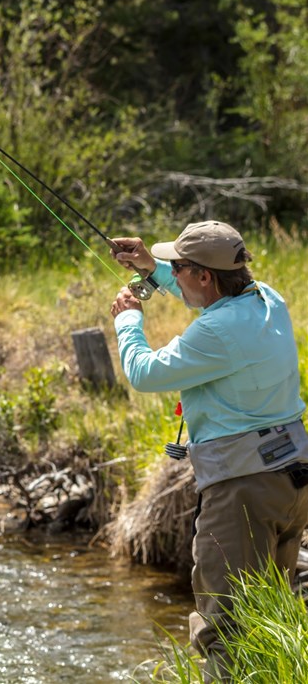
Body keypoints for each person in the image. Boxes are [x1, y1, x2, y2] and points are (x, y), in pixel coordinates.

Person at [107, 220, 308, 681]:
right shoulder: (266, 300)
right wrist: (152, 267)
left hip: (243, 491)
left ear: (204, 275)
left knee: (226, 626)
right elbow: (204, 299)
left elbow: (144, 373)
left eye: (178, 268)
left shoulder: (215, 333)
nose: (172, 274)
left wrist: (128, 321)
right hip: (291, 479)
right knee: (272, 612)